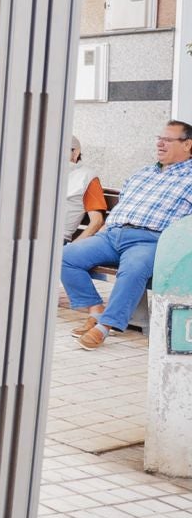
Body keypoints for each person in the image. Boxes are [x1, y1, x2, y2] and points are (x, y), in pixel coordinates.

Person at [61, 121, 192, 350]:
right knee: (65, 257)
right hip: (112, 236)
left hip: (150, 240)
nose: (160, 143)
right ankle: (96, 311)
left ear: (187, 145)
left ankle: (104, 327)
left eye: (168, 140)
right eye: (158, 138)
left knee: (133, 270)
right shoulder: (143, 173)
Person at [65, 135, 106, 242]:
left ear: (75, 153)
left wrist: (72, 248)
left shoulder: (87, 177)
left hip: (53, 240)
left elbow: (97, 221)